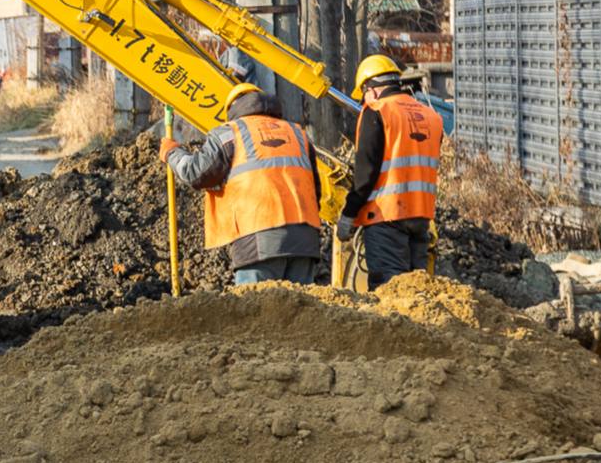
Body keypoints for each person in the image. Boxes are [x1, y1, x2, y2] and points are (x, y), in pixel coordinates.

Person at [160, 83, 322, 285]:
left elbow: (196, 173)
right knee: (302, 312)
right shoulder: (298, 134)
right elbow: (316, 190)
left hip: (258, 240)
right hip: (305, 243)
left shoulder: (230, 133)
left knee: (254, 312)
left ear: (233, 109)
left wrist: (171, 152)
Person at [336, 54, 444, 288]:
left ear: (371, 90)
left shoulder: (377, 111)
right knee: (419, 291)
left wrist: (349, 213)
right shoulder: (431, 117)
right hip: (421, 217)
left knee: (390, 290)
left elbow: (366, 172)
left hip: (386, 217)